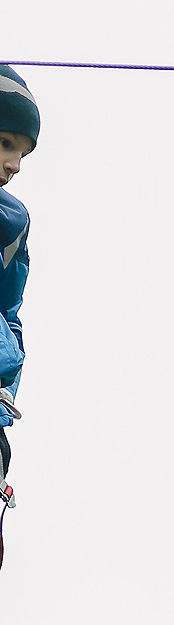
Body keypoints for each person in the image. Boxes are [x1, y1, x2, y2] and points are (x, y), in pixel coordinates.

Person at [0, 64, 39, 568]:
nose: (14, 164)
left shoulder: (11, 221)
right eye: (6, 142)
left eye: (23, 152)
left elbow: (9, 309)